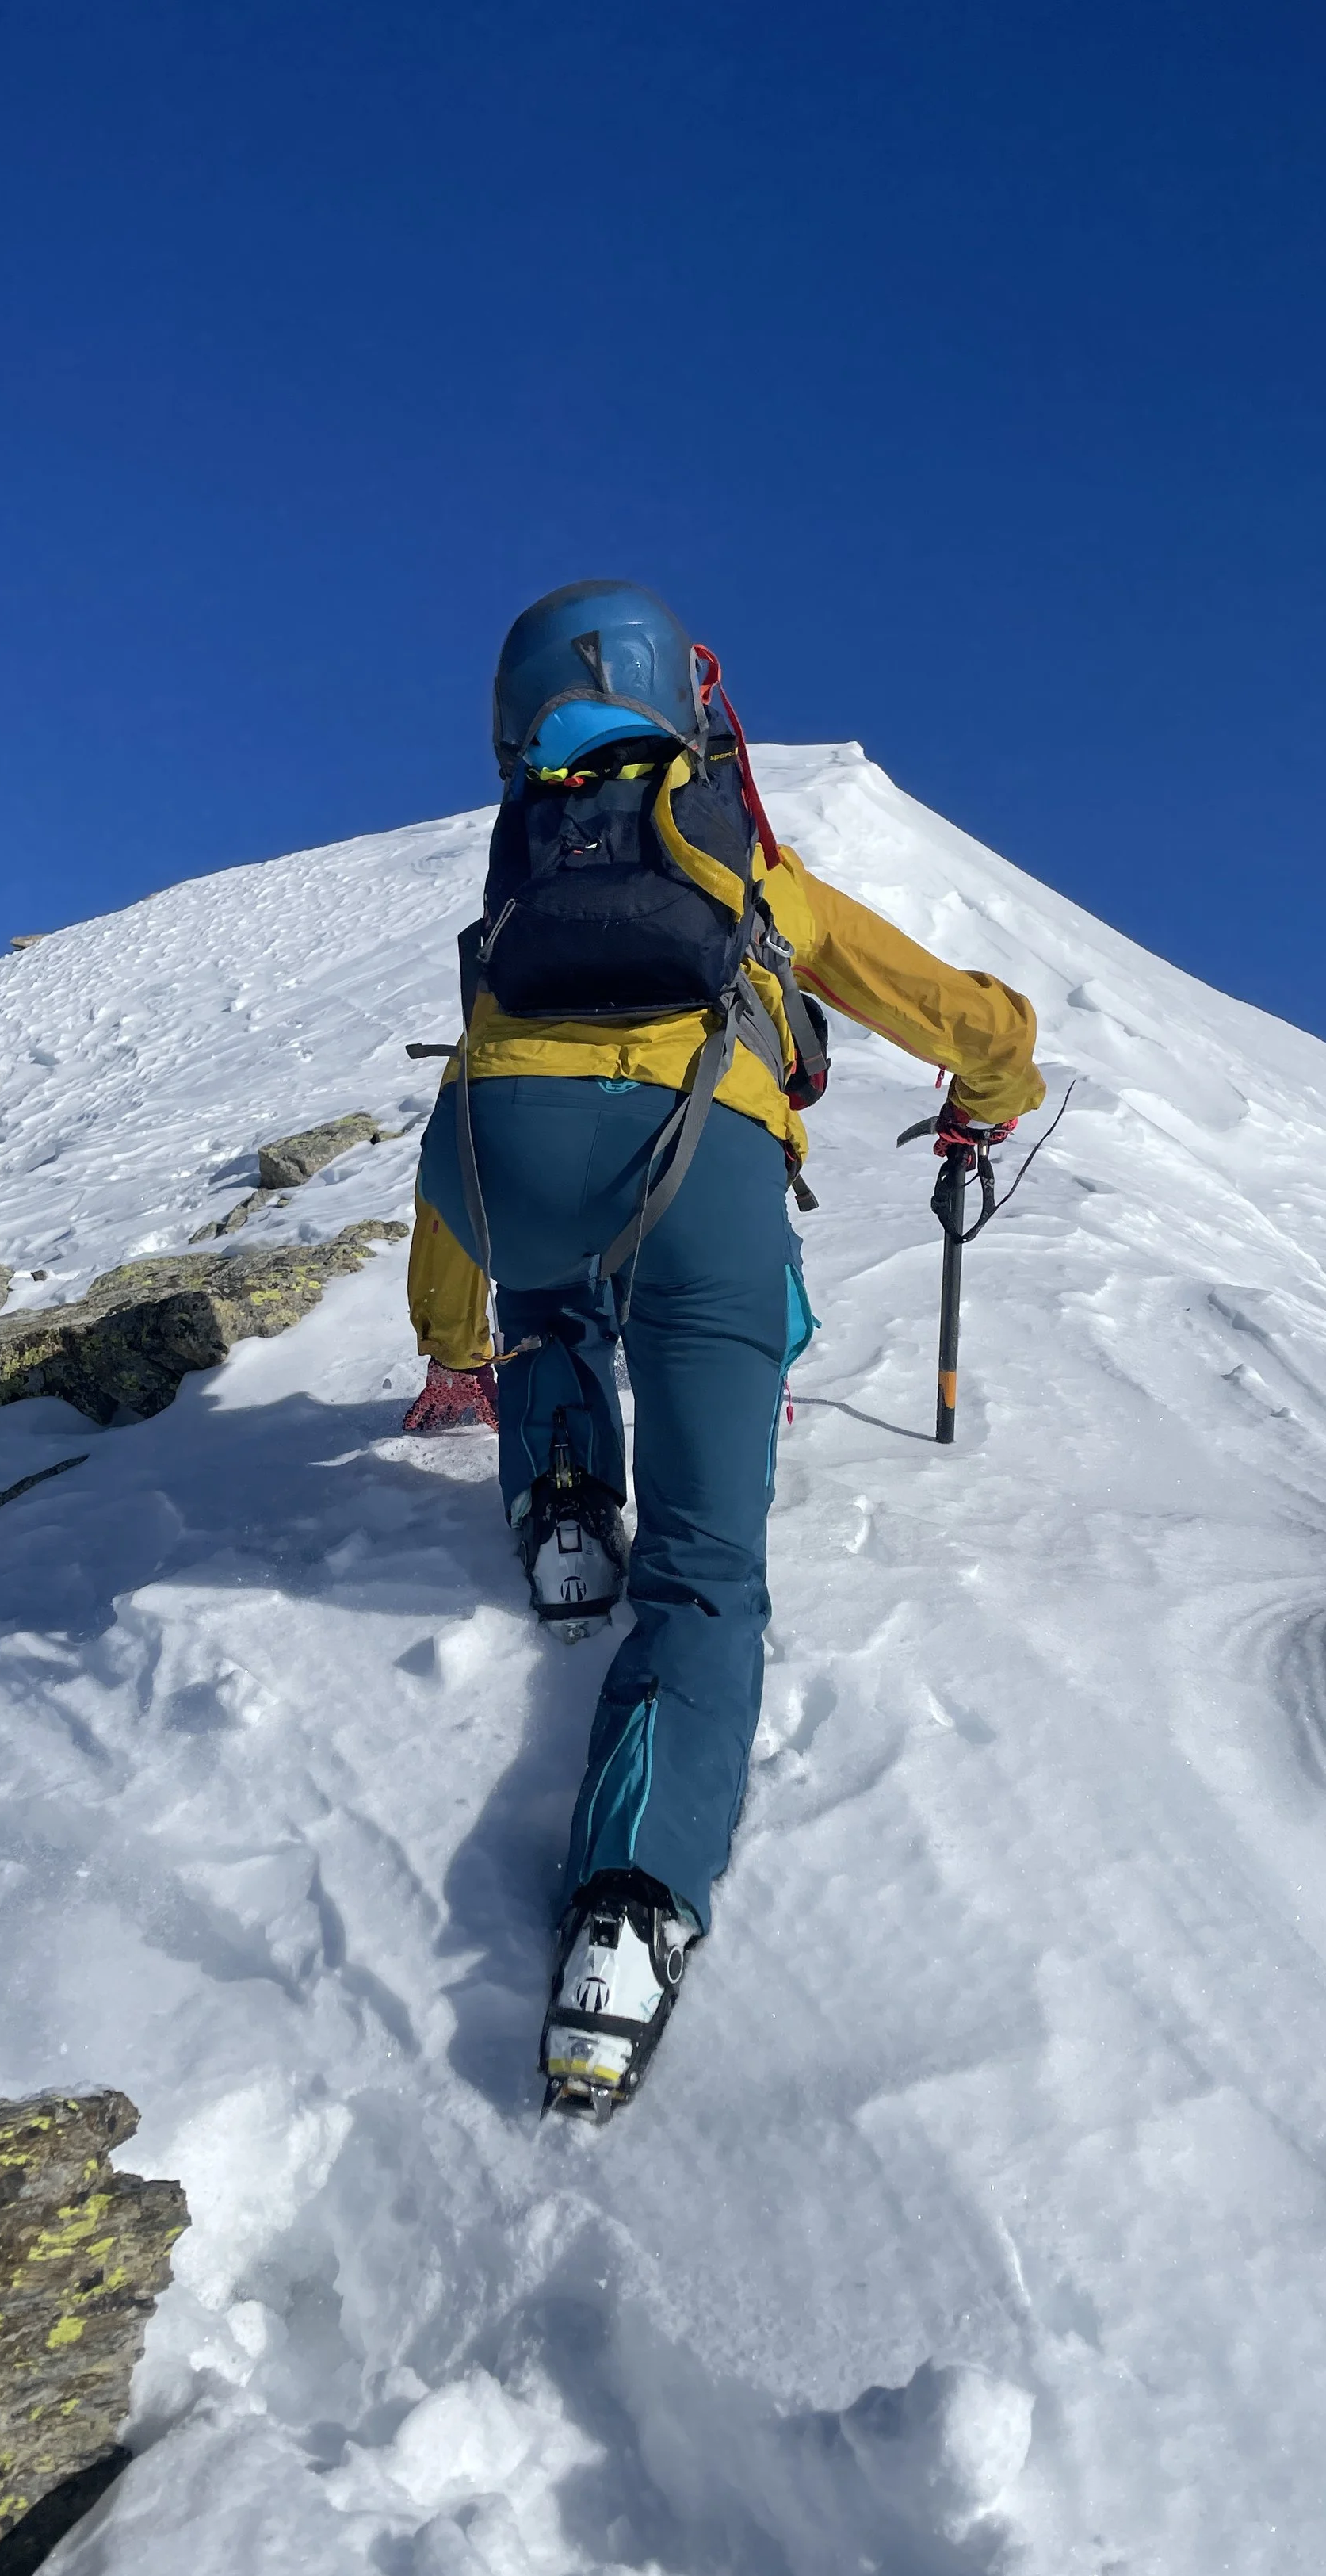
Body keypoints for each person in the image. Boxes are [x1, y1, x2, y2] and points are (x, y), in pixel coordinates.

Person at [402, 581, 1044, 2117]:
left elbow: (470, 1113)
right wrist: (997, 1081)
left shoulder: (519, 879)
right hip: (699, 1168)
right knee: (703, 1571)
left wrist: (448, 1339)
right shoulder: (742, 864)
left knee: (552, 1290)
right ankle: (627, 1912)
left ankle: (563, 1501)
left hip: (497, 1166)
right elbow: (952, 1015)